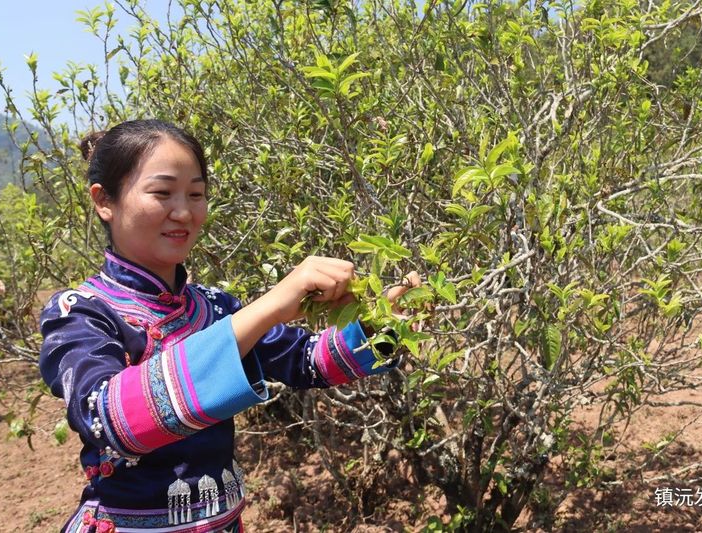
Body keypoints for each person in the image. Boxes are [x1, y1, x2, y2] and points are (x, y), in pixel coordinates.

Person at [39, 119, 421, 533]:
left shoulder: (214, 307)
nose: (183, 211)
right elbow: (110, 419)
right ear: (104, 201)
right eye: (162, 192)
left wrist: (384, 324)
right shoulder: (81, 312)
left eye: (196, 194)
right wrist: (270, 306)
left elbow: (308, 362)